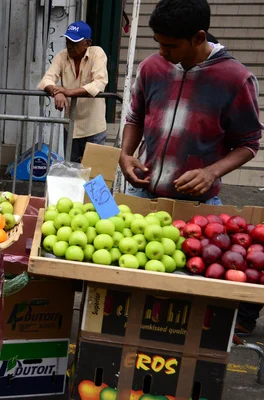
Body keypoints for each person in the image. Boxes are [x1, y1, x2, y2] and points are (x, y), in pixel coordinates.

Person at [118, 0, 261, 333]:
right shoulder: (152, 67)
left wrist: (212, 172)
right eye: (158, 43)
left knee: (182, 314)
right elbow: (134, 117)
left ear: (198, 37)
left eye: (170, 45)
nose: (162, 52)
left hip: (196, 212)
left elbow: (249, 144)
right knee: (133, 304)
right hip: (142, 198)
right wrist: (125, 154)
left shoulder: (236, 79)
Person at [38, 21, 109, 163]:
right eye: (67, 41)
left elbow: (99, 83)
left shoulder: (97, 53)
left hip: (93, 126)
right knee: (72, 171)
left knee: (94, 173)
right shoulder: (62, 56)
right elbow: (47, 80)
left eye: (74, 42)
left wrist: (68, 92)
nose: (69, 45)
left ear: (87, 43)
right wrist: (56, 92)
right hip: (71, 125)